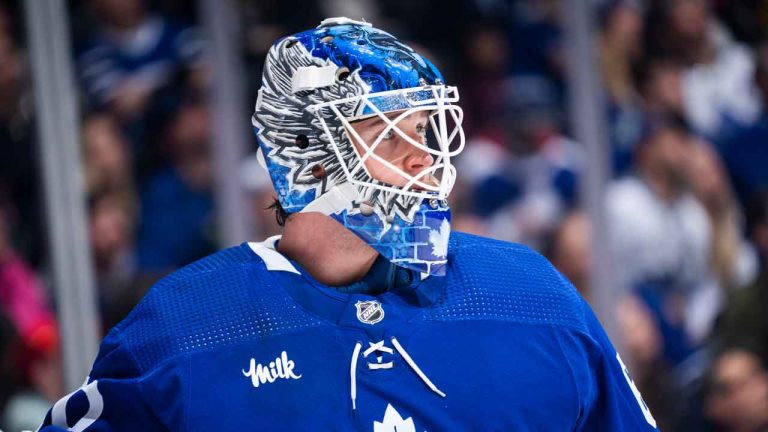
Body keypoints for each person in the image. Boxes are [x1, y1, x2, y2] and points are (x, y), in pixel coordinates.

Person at [39, 18, 658, 431]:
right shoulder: (186, 325)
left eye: (426, 131)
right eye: (390, 135)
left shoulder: (531, 294)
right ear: (303, 156)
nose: (425, 158)